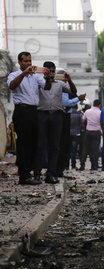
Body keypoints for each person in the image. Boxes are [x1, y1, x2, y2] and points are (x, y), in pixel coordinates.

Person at [8, 52, 50, 184]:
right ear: (19, 62)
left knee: (34, 143)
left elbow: (47, 87)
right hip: (22, 111)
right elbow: (12, 85)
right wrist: (23, 73)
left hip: (34, 111)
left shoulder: (35, 77)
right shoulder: (14, 75)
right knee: (24, 143)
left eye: (30, 61)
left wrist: (47, 77)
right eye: (26, 61)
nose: (29, 64)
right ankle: (23, 175)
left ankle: (29, 172)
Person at [32, 61, 77, 184]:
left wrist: (69, 80)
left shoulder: (60, 85)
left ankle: (51, 174)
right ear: (44, 71)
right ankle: (37, 173)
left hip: (57, 115)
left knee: (54, 146)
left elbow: (73, 91)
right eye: (49, 71)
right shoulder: (39, 83)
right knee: (40, 145)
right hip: (42, 115)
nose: (51, 74)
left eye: (53, 71)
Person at [56, 69, 84, 178]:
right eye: (63, 77)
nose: (64, 80)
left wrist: (70, 81)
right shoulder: (59, 87)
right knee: (61, 145)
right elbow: (65, 102)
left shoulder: (66, 87)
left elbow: (74, 91)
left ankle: (60, 170)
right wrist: (78, 98)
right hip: (62, 116)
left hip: (66, 116)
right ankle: (58, 170)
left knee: (65, 146)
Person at [80, 99, 102, 171]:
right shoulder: (100, 112)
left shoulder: (87, 111)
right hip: (96, 132)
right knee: (95, 150)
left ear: (93, 105)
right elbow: (102, 122)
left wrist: (85, 129)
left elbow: (82, 122)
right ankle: (94, 166)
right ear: (99, 105)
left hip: (88, 132)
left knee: (85, 149)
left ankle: (82, 165)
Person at [69, 105, 83, 170]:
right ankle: (73, 165)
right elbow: (82, 123)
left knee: (67, 151)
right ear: (77, 108)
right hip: (76, 134)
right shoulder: (79, 114)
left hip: (69, 134)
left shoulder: (69, 114)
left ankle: (66, 166)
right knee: (74, 151)